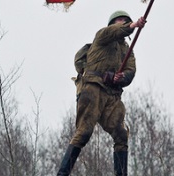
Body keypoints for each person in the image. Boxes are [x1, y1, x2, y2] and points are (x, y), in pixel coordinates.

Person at [57, 10, 146, 176]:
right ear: (112, 24)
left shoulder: (127, 51)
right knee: (84, 132)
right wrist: (133, 25)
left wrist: (121, 77)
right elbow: (115, 31)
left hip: (112, 95)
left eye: (125, 20)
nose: (122, 22)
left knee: (121, 135)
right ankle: (62, 174)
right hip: (93, 88)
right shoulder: (103, 36)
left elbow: (131, 71)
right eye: (119, 20)